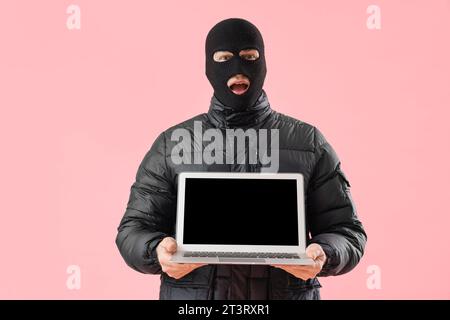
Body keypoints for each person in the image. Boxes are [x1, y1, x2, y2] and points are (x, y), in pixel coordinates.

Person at [116, 18, 367, 300]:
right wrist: (157, 251)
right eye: (223, 59)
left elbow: (347, 231)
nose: (237, 69)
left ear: (264, 63)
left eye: (249, 57)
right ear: (209, 67)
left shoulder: (308, 142)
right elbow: (133, 230)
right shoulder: (171, 144)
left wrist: (325, 253)